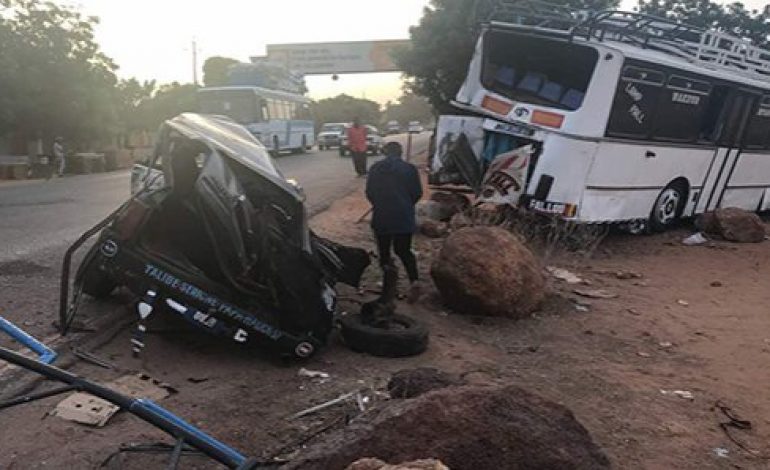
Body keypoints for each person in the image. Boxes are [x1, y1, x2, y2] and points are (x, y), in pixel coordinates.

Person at [366, 141, 423, 300]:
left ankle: (389, 285)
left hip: (382, 215)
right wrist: (406, 205)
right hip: (403, 215)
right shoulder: (410, 169)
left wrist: (379, 204)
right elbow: (417, 193)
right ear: (401, 153)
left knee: (384, 252)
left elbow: (369, 192)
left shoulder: (376, 168)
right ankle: (414, 281)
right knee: (404, 250)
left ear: (385, 152)